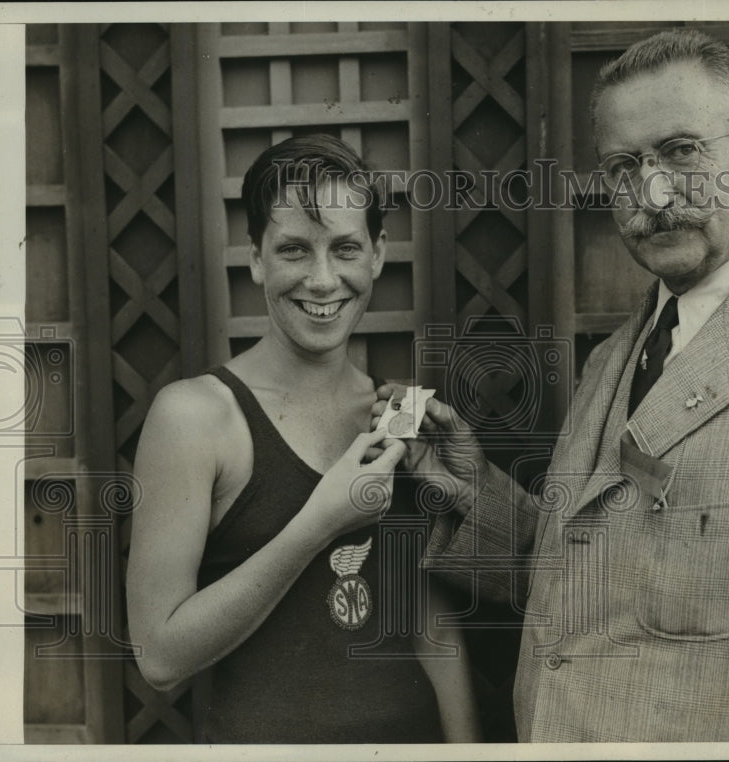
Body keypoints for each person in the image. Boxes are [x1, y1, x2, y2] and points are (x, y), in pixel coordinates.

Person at [376, 28, 729, 742]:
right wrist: (473, 493)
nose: (650, 193)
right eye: (623, 167)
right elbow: (601, 590)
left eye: (682, 152)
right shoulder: (614, 357)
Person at [126, 135, 480, 744]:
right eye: (294, 250)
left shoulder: (395, 411)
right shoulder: (195, 416)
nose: (322, 280)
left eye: (345, 248)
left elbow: (429, 624)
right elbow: (159, 657)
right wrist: (319, 523)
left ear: (377, 254)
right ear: (257, 258)